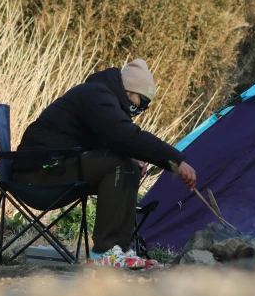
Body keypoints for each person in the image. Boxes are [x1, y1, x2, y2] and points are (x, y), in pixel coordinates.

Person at [12, 59, 197, 268]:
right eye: (142, 101)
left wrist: (132, 155)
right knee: (117, 165)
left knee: (128, 165)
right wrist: (176, 161)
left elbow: (104, 137)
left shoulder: (100, 96)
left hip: (56, 167)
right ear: (128, 91)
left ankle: (120, 249)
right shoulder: (97, 95)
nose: (141, 109)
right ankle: (104, 251)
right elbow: (124, 134)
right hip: (37, 175)